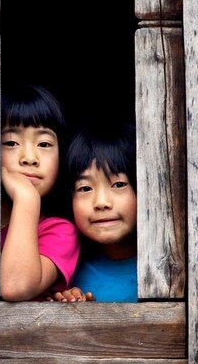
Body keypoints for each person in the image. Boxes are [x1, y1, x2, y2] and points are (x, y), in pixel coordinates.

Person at [0, 85, 80, 301]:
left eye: (44, 143)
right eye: (11, 143)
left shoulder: (59, 232)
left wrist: (26, 198)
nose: (29, 158)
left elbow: (16, 286)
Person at [51, 125, 138, 302]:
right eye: (85, 188)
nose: (101, 202)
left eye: (118, 185)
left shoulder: (173, 268)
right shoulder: (66, 274)